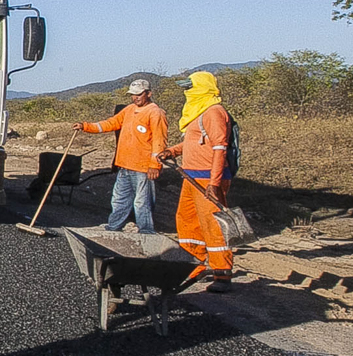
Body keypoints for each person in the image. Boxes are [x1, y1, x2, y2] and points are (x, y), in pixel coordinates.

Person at [165, 71, 238, 290]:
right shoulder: (197, 112)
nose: (187, 91)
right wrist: (172, 152)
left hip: (207, 179)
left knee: (213, 225)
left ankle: (222, 275)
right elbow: (194, 143)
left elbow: (220, 148)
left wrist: (214, 183)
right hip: (191, 176)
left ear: (202, 88)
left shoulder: (214, 112)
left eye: (190, 87)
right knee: (187, 221)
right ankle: (193, 265)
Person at [75, 79, 168, 233]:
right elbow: (110, 123)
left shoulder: (155, 113)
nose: (135, 98)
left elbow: (159, 142)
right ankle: (114, 228)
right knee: (119, 200)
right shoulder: (129, 110)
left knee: (142, 202)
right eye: (132, 95)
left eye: (138, 94)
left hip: (143, 168)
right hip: (124, 165)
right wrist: (86, 126)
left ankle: (146, 232)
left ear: (148, 93)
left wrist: (155, 165)